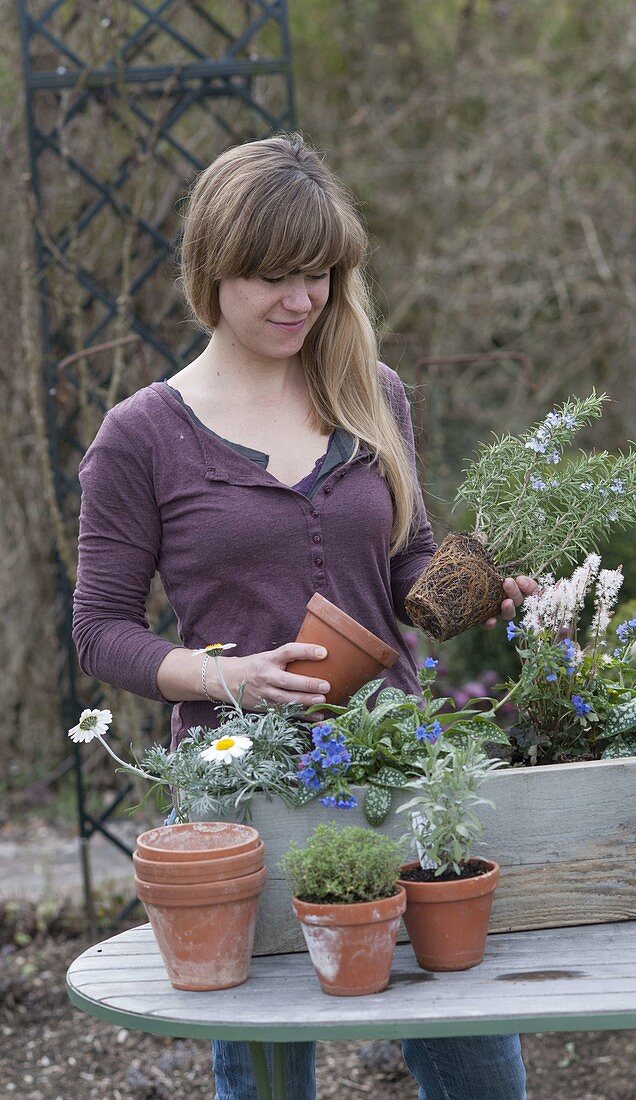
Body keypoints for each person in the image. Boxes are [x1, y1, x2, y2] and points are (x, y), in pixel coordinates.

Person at [73, 133, 535, 1100]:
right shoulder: (142, 437)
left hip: (399, 769)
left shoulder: (371, 393)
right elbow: (101, 629)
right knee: (270, 1068)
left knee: (470, 1041)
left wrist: (474, 589)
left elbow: (404, 557)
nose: (301, 300)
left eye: (318, 275)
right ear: (212, 272)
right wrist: (222, 677)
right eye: (271, 278)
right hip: (243, 794)